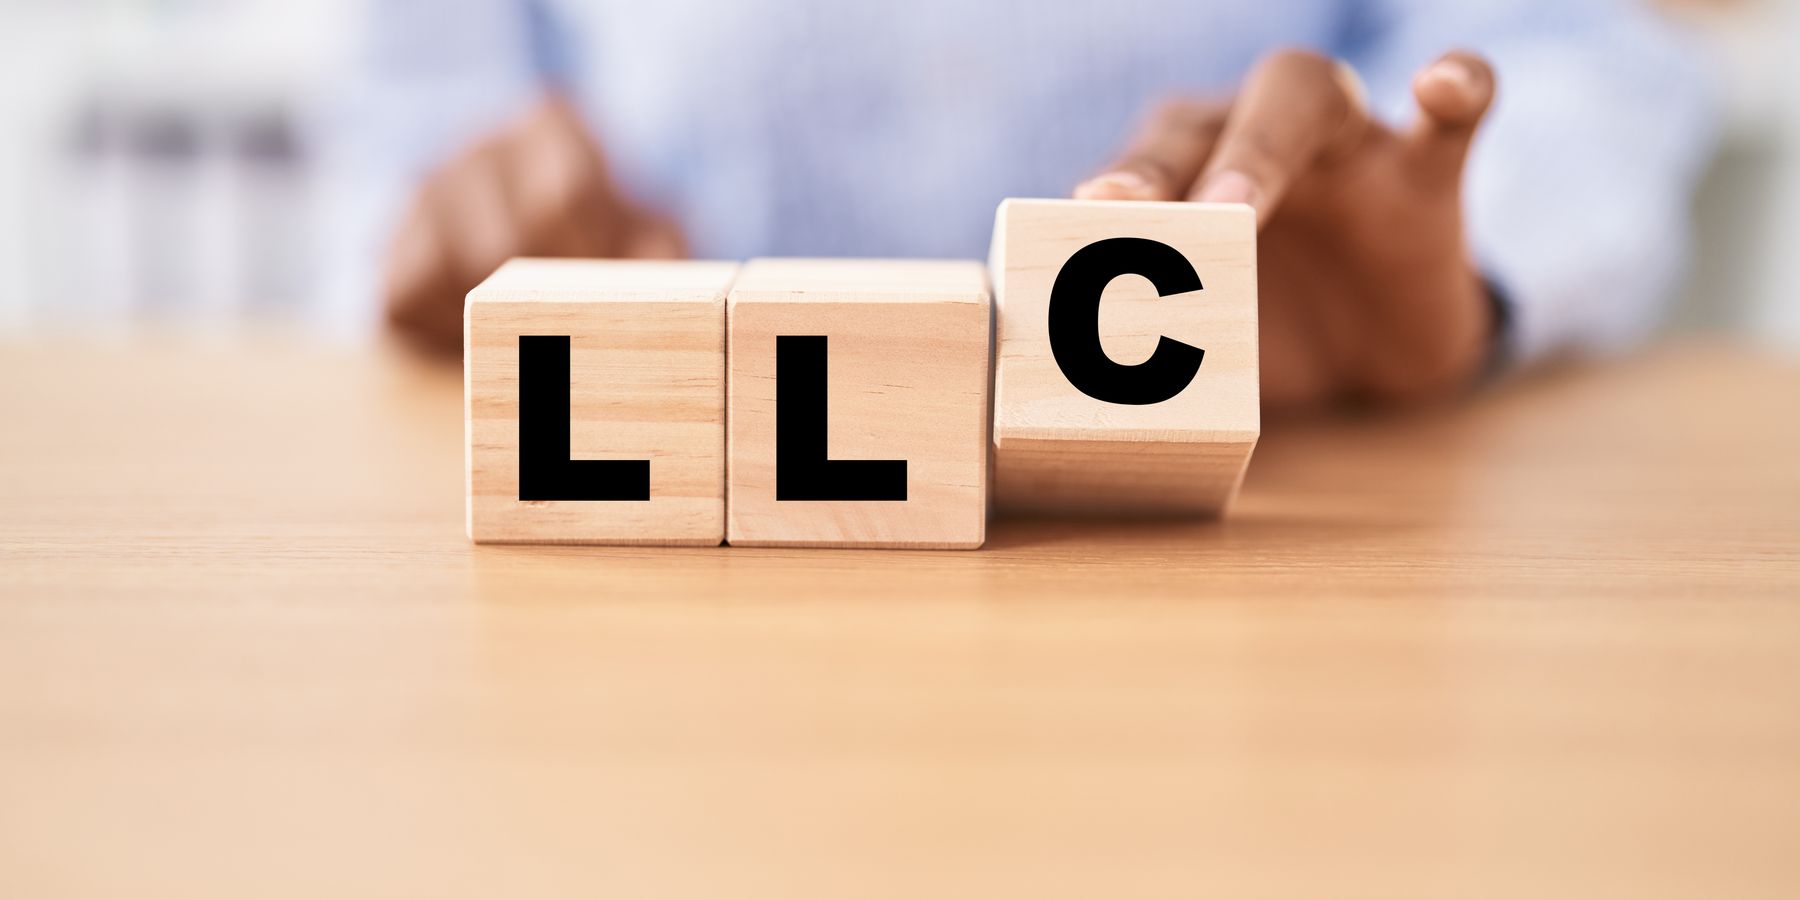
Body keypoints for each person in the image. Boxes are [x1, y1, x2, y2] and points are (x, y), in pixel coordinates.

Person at [347, 0, 1716, 411]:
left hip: (1289, 526)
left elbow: (1577, 62)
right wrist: (448, 220)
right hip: (637, 599)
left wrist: (1464, 268)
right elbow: (401, 129)